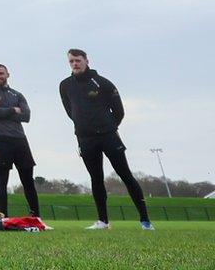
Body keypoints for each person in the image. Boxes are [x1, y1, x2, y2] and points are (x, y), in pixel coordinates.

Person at [59, 48, 154, 230]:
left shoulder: (103, 83)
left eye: (78, 60)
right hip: (85, 139)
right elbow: (70, 111)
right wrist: (84, 127)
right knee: (96, 179)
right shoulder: (65, 85)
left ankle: (145, 221)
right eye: (71, 61)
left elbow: (119, 111)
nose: (75, 64)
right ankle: (103, 221)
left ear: (87, 61)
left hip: (108, 136)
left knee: (126, 175)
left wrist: (108, 126)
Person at [0, 64, 39, 218]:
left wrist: (2, 110)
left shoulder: (17, 95)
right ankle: (3, 216)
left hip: (20, 140)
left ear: (8, 74)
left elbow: (26, 116)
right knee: (1, 180)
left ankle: (36, 216)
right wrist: (14, 109)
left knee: (28, 180)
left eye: (1, 73)